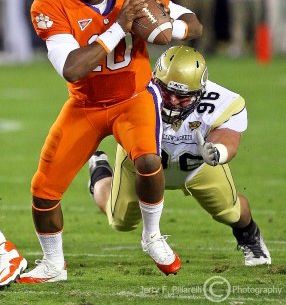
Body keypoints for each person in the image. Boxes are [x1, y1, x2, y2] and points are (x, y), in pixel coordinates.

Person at [17, 0, 202, 283]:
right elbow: (72, 68)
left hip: (133, 97)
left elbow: (194, 22)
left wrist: (167, 29)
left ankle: (152, 236)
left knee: (149, 160)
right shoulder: (49, 3)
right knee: (43, 191)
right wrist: (119, 28)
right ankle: (54, 265)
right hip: (85, 105)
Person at [88, 46, 271, 267]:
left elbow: (228, 139)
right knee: (119, 221)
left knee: (230, 212)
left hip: (197, 166)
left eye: (183, 97)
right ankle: (99, 170)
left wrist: (217, 152)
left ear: (200, 92)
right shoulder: (134, 90)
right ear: (156, 81)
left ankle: (249, 235)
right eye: (166, 92)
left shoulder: (223, 102)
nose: (173, 101)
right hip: (139, 164)